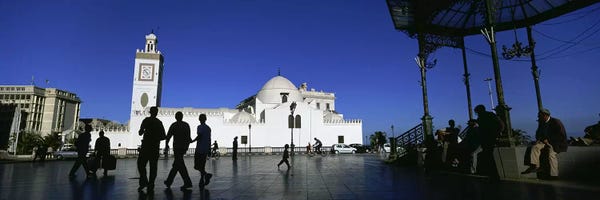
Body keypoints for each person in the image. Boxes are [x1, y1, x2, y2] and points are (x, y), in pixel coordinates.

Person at [521, 108, 567, 179]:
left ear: (545, 115)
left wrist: (549, 140)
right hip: (544, 142)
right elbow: (538, 133)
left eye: (539, 116)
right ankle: (535, 165)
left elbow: (561, 135)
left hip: (556, 143)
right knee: (534, 147)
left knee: (551, 154)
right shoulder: (541, 122)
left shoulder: (556, 122)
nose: (538, 117)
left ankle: (554, 175)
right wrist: (539, 139)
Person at [137, 106, 166, 192]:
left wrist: (145, 132)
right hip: (154, 147)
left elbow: (140, 132)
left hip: (145, 146)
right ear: (156, 113)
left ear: (150, 112)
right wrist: (156, 138)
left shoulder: (146, 120)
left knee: (141, 164)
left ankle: (144, 181)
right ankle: (151, 184)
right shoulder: (159, 123)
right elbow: (163, 136)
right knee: (153, 167)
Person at [164, 111, 193, 190]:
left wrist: (166, 145)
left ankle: (187, 182)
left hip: (177, 148)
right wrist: (187, 146)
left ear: (176, 117)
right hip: (183, 148)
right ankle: (169, 181)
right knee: (177, 165)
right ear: (182, 117)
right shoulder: (186, 125)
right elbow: (189, 138)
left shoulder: (174, 125)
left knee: (178, 165)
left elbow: (168, 136)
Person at [474, 105, 504, 178]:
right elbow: (501, 125)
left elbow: (480, 130)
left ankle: (493, 175)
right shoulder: (491, 115)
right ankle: (492, 175)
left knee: (489, 157)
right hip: (490, 138)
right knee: (489, 156)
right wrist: (497, 134)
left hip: (486, 139)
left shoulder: (481, 118)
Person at [192, 114, 213, 187]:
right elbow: (209, 139)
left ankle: (206, 175)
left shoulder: (200, 127)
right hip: (205, 149)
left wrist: (192, 141)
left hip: (199, 149)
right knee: (202, 166)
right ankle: (202, 180)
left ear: (199, 119)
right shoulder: (208, 128)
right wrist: (209, 149)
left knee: (197, 166)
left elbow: (199, 136)